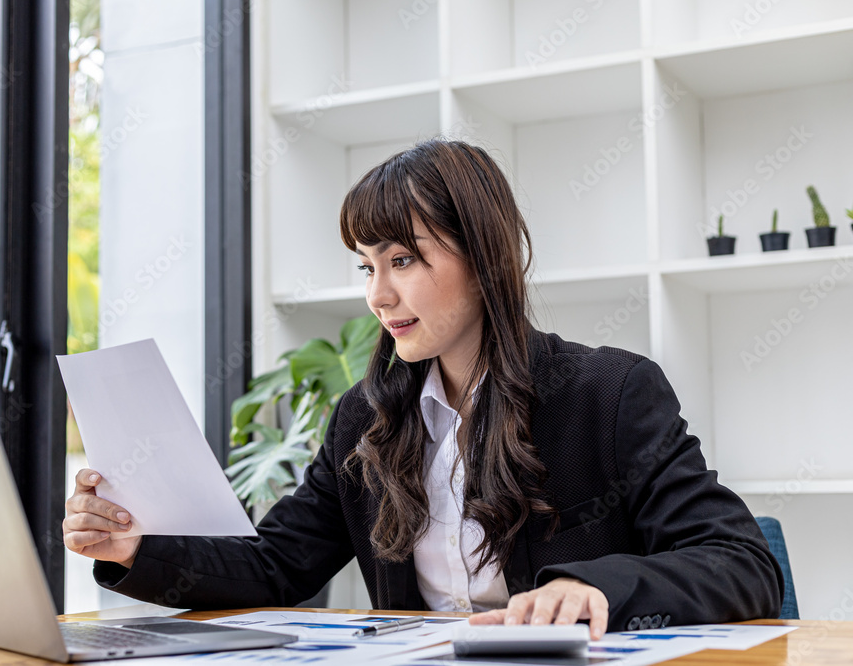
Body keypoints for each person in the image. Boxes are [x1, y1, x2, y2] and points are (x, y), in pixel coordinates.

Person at [63, 139, 783, 639]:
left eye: (403, 258)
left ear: (483, 258)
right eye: (366, 266)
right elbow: (277, 564)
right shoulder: (365, 419)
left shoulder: (611, 393)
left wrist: (597, 588)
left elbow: (741, 562)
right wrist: (134, 544)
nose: (378, 294)